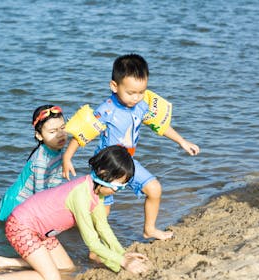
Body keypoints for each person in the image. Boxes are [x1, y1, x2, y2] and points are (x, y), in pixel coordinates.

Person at [62, 54, 200, 241]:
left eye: (141, 92)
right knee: (103, 211)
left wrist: (182, 141)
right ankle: (90, 244)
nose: (136, 98)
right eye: (131, 93)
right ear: (114, 86)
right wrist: (67, 158)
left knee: (154, 189)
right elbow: (83, 134)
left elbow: (159, 124)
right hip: (107, 165)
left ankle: (149, 229)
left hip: (128, 162)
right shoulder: (107, 110)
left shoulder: (141, 107)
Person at [0, 146, 150, 280]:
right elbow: (91, 241)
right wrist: (123, 263)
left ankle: (4, 263)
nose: (117, 191)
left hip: (42, 232)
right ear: (104, 173)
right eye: (117, 186)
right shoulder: (81, 194)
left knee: (67, 269)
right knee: (52, 279)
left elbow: (102, 226)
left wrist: (122, 254)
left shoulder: (97, 193)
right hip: (21, 226)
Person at [0, 105, 67, 222]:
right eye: (52, 131)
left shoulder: (57, 149)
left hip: (32, 201)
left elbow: (53, 184)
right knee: (10, 236)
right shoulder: (41, 161)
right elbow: (40, 195)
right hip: (17, 203)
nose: (60, 134)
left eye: (63, 128)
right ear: (39, 135)